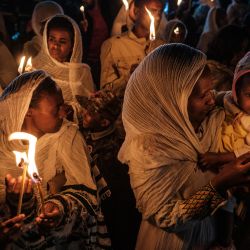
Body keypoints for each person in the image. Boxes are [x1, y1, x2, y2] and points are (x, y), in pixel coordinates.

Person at [118, 43, 250, 249]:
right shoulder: (148, 149)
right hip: (173, 242)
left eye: (211, 90)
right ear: (173, 100)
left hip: (213, 234)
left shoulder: (212, 118)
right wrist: (220, 183)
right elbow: (165, 216)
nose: (211, 99)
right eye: (202, 95)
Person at [0, 70, 111, 249]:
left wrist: (59, 207)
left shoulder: (68, 135)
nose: (62, 114)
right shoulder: (3, 143)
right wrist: (14, 202)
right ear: (28, 110)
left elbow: (87, 196)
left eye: (63, 105)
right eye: (56, 108)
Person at [78, 89, 141, 250]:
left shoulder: (114, 152)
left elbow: (118, 196)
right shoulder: (88, 132)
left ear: (104, 123)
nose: (84, 113)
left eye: (91, 113)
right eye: (86, 108)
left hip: (114, 217)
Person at [32, 14, 95, 122]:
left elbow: (89, 108)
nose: (55, 46)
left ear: (72, 46)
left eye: (62, 42)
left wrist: (71, 110)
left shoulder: (82, 72)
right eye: (52, 39)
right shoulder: (34, 67)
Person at [100, 0, 165, 90]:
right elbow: (105, 93)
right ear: (136, 12)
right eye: (153, 11)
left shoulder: (163, 46)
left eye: (160, 12)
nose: (158, 17)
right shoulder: (114, 46)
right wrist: (129, 78)